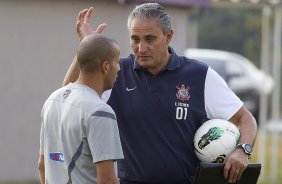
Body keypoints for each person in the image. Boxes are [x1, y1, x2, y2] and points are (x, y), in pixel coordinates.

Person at [63, 3, 257, 184]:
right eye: (135, 39)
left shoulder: (199, 75)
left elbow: (245, 119)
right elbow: (70, 95)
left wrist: (242, 150)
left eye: (149, 38)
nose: (141, 48)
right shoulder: (116, 72)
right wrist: (86, 46)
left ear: (168, 36)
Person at [38, 34, 124, 184]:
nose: (119, 68)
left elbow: (42, 165)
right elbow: (107, 180)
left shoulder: (52, 100)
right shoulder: (100, 112)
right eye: (117, 62)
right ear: (105, 67)